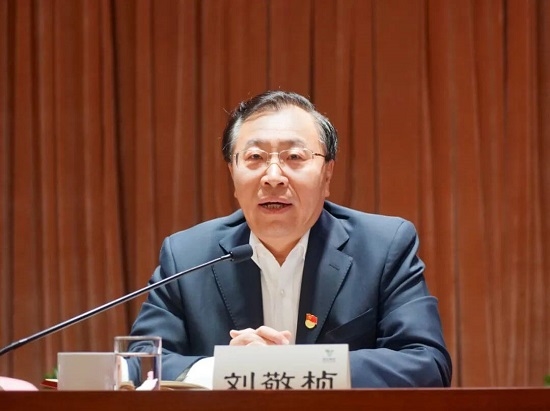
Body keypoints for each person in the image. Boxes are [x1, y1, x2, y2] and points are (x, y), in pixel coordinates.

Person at [128, 90, 452, 388]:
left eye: (294, 157)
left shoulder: (382, 247)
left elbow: (426, 364)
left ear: (327, 174)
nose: (273, 177)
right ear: (232, 173)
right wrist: (225, 369)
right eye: (255, 157)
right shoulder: (187, 255)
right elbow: (139, 363)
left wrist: (292, 367)